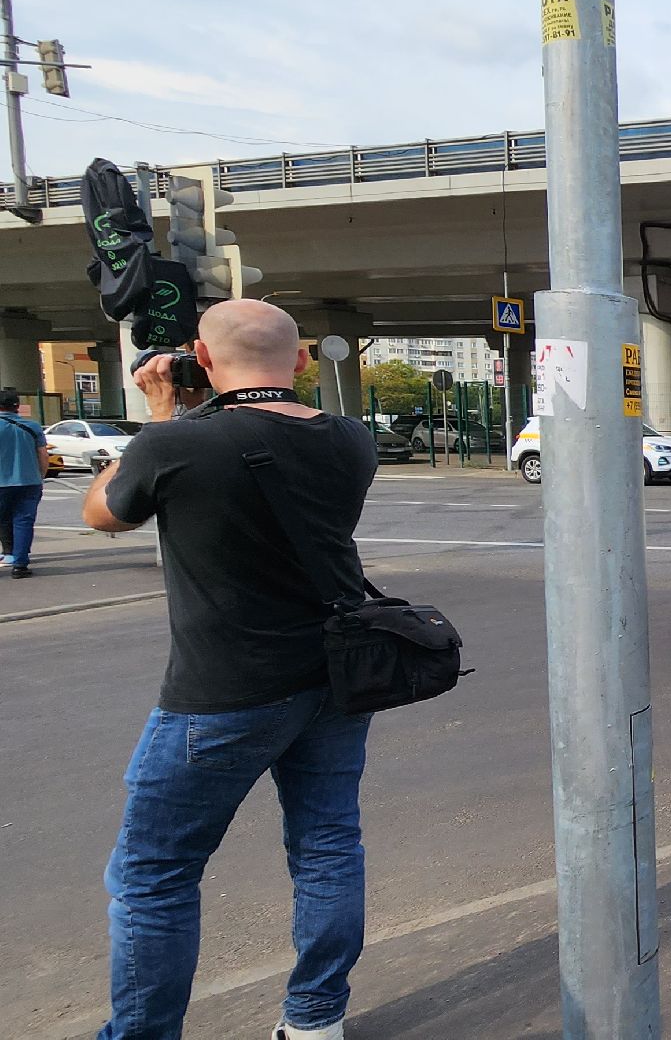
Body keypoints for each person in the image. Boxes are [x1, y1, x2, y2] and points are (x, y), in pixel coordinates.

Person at [82, 300, 380, 1040]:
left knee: (154, 876)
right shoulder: (351, 440)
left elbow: (102, 513)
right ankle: (315, 1022)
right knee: (327, 845)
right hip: (337, 679)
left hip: (221, 691)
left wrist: (161, 415)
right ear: (304, 361)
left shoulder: (177, 444)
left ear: (202, 360)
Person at [0, 388, 46, 578]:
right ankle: (20, 565)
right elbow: (43, 455)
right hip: (29, 482)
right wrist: (40, 477)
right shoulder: (33, 426)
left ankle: (9, 555)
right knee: (23, 522)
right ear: (17, 406)